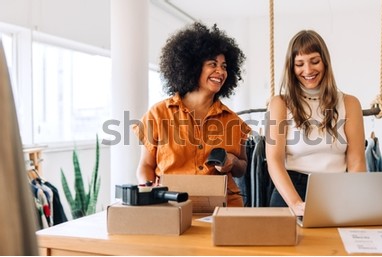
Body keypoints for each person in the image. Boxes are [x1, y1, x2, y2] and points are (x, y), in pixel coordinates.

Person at [133, 22, 251, 207]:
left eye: (224, 66)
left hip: (222, 207)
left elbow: (241, 168)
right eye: (213, 64)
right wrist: (149, 191)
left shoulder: (233, 121)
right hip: (171, 204)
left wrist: (233, 162)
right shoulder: (158, 114)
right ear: (193, 66)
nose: (220, 71)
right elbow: (146, 166)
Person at [265, 30, 366, 216]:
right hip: (291, 191)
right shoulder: (279, 104)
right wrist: (296, 204)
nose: (308, 70)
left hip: (338, 190)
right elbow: (274, 160)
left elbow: (357, 161)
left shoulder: (350, 103)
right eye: (299, 64)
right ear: (291, 68)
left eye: (314, 61)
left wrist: (353, 200)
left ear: (325, 62)